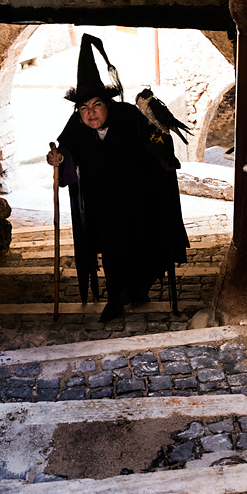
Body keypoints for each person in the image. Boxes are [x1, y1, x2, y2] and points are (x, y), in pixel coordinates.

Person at [47, 33, 189, 323]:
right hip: (102, 203)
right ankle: (115, 300)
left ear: (107, 104)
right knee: (112, 251)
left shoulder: (128, 116)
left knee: (144, 246)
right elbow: (66, 152)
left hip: (140, 197)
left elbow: (160, 138)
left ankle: (138, 288)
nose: (90, 113)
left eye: (95, 105)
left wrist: (158, 148)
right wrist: (59, 159)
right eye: (84, 108)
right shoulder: (76, 125)